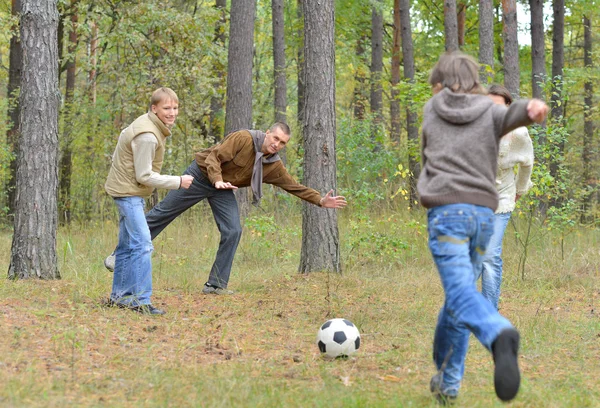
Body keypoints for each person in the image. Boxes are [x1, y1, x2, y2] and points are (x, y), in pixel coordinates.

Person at [417, 51, 548, 403]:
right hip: (483, 217)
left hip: (447, 213)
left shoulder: (432, 110)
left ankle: (498, 332)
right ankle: (447, 384)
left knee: (461, 293)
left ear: (441, 84)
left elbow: (427, 151)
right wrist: (530, 109)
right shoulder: (490, 111)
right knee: (457, 300)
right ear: (475, 82)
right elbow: (511, 115)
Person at [104, 122, 347, 295]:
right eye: (275, 138)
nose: (277, 144)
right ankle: (118, 255)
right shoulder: (243, 138)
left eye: (282, 143)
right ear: (267, 133)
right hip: (199, 177)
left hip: (222, 189)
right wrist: (217, 179)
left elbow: (293, 186)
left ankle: (215, 285)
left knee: (233, 230)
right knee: (162, 214)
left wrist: (320, 200)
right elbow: (213, 158)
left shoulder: (273, 166)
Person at [105, 87, 194, 315]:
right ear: (154, 108)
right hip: (128, 193)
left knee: (126, 247)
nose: (172, 112)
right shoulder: (147, 135)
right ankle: (141, 301)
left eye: (175, 108)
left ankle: (120, 297)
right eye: (166, 108)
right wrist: (178, 181)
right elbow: (143, 175)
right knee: (143, 245)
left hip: (127, 190)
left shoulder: (149, 125)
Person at [476, 84, 534, 310]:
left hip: (502, 197)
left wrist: (520, 190)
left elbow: (527, 164)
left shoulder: (519, 133)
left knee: (489, 254)